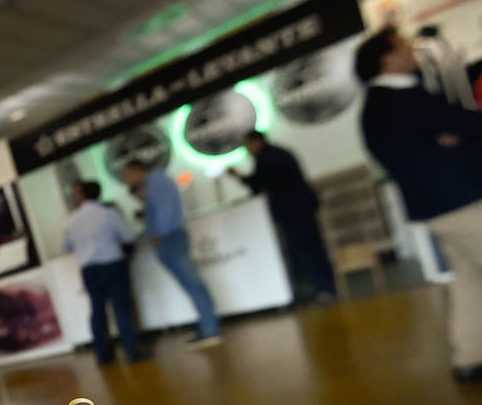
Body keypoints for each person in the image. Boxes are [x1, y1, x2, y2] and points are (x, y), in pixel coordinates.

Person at [355, 26, 482, 383]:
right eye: (401, 47)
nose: (411, 50)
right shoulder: (401, 98)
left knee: (468, 278)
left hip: (437, 207)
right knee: (469, 276)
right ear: (386, 59)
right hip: (461, 199)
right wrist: (456, 139)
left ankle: (469, 355)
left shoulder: (376, 107)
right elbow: (459, 123)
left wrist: (451, 138)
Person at [120, 160, 222, 347]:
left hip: (170, 239)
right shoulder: (157, 182)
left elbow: (165, 212)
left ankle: (210, 330)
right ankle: (208, 326)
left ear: (136, 170)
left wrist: (158, 235)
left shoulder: (156, 182)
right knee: (193, 284)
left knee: (192, 285)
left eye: (126, 175)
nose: (126, 180)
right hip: (171, 238)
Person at [226, 131, 337, 303]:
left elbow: (258, 184)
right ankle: (327, 286)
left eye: (247, 146)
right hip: (302, 207)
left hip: (292, 212)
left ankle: (322, 288)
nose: (247, 151)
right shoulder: (280, 153)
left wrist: (238, 177)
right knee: (313, 249)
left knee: (302, 251)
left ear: (256, 142)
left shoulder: (267, 159)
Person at [62, 181, 144, 365]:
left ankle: (103, 354)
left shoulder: (72, 219)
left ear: (81, 194)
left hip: (89, 269)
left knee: (97, 310)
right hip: (113, 264)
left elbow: (66, 246)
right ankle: (131, 351)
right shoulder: (109, 213)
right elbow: (129, 236)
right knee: (121, 308)